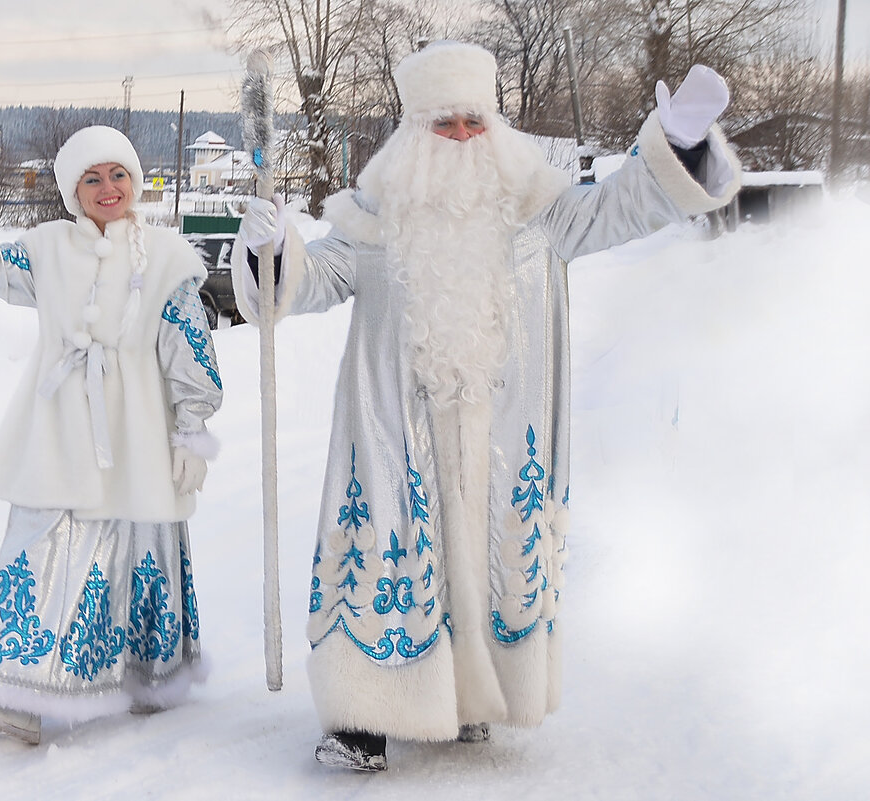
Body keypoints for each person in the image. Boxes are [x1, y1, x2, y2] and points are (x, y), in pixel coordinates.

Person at [233, 42, 740, 771]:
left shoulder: (540, 211)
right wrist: (270, 250)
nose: (465, 138)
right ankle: (361, 720)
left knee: (489, 553)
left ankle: (470, 701)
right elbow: (312, 282)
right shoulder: (375, 216)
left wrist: (675, 147)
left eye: (475, 121)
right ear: (414, 133)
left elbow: (619, 209)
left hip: (504, 429)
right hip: (395, 430)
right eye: (447, 125)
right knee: (389, 553)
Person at [0, 124, 223, 745]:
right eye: (91, 178)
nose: (107, 187)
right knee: (40, 542)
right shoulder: (45, 249)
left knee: (140, 545)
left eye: (117, 174)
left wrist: (191, 433)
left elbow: (188, 349)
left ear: (136, 180)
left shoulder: (169, 258)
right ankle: (15, 695)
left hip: (140, 431)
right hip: (60, 426)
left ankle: (149, 675)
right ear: (72, 190)